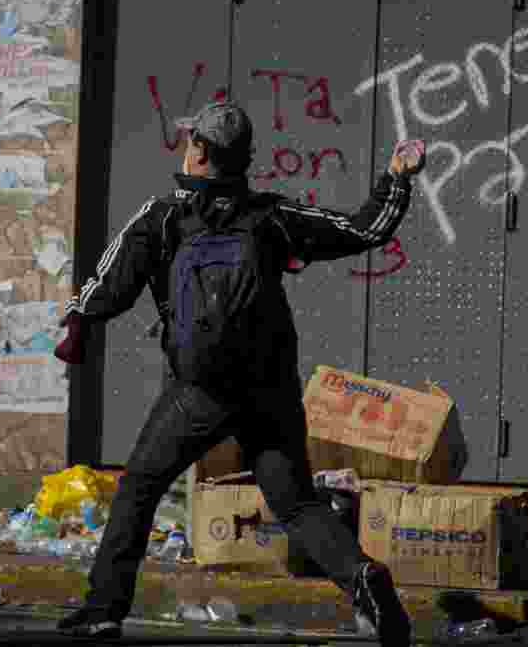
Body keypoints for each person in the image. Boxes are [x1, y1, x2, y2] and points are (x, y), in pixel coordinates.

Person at [54, 99, 426, 645]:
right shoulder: (271, 218)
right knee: (296, 503)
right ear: (245, 158)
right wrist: (396, 177)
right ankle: (363, 577)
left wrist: (77, 325)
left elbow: (107, 286)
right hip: (270, 390)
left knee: (139, 486)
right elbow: (364, 229)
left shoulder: (163, 217)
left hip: (200, 392)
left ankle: (103, 609)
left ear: (199, 151)